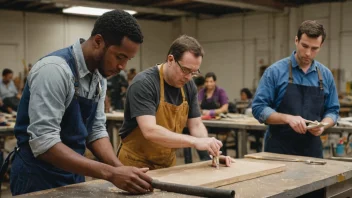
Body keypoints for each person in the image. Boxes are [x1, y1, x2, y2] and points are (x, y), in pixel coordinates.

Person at [8, 10, 153, 195]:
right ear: (98, 41)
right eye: (119, 57)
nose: (122, 67)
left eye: (128, 59)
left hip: (74, 173)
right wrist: (110, 173)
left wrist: (120, 169)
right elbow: (44, 143)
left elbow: (96, 131)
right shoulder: (54, 70)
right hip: (37, 176)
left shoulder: (99, 77)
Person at [117, 35, 232, 170]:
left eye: (194, 72)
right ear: (171, 59)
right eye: (186, 70)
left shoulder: (189, 86)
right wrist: (195, 142)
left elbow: (196, 125)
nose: (189, 77)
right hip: (135, 164)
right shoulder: (144, 83)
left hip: (167, 165)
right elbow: (150, 130)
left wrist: (211, 151)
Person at [252, 20, 340, 159]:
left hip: (312, 152)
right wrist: (287, 118)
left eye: (314, 48)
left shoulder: (325, 75)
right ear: (296, 40)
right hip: (278, 150)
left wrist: (323, 125)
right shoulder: (275, 72)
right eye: (304, 46)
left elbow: (333, 110)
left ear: (321, 46)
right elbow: (259, 108)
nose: (308, 53)